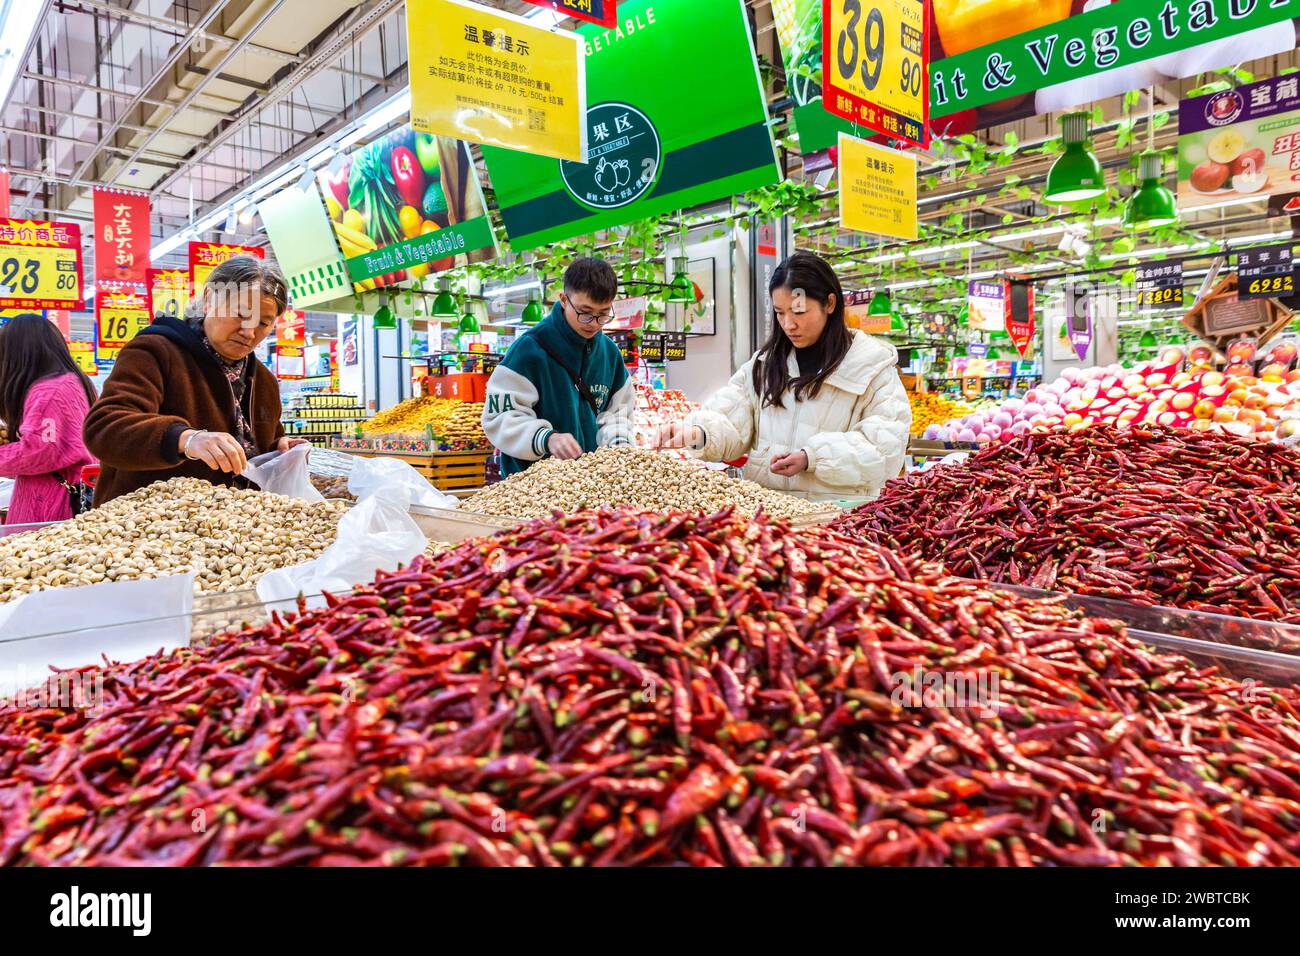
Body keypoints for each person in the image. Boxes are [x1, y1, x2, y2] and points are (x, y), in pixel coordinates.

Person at [657, 251, 910, 500]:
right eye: (780, 313)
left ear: (830, 304)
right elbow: (731, 422)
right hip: (770, 516)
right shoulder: (764, 365)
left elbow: (885, 449)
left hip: (839, 520)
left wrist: (812, 457)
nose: (788, 324)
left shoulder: (872, 368)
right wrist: (698, 433)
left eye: (799, 312)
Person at [84, 256, 308, 505]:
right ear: (210, 300)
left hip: (233, 530)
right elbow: (104, 428)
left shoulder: (263, 380)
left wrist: (282, 450)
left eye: (263, 323)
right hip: (146, 524)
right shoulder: (154, 352)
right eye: (240, 314)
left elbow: (260, 446)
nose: (249, 331)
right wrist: (186, 439)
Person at [482, 257, 635, 475]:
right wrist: (547, 438)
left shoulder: (610, 354)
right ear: (564, 300)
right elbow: (500, 418)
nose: (593, 323)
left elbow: (619, 412)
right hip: (532, 487)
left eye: (603, 314)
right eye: (585, 312)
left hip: (593, 484)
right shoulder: (528, 351)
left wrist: (619, 443)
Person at [0, 314, 97, 523]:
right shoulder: (78, 381)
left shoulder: (49, 390)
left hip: (50, 502)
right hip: (73, 493)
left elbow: (38, 452)